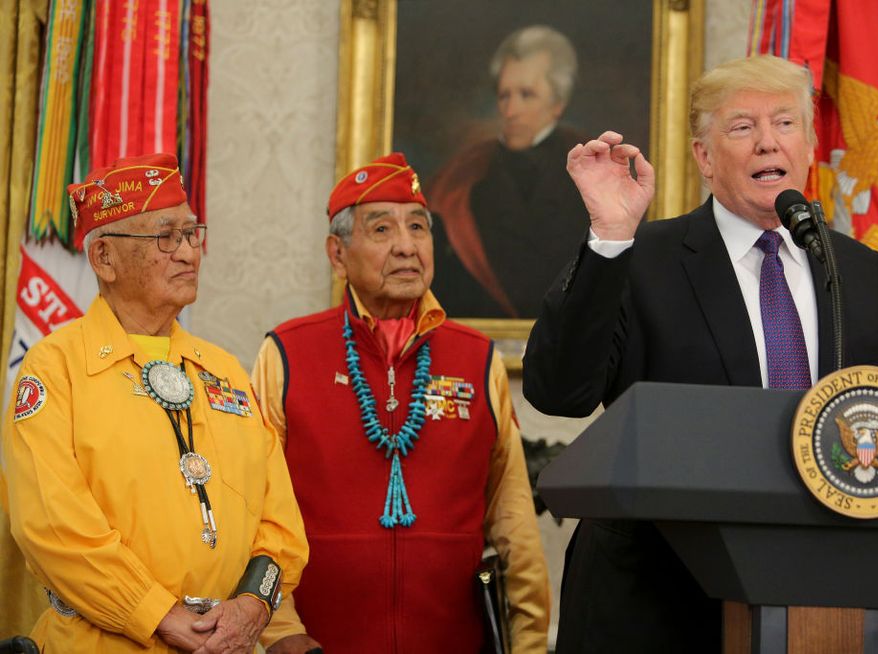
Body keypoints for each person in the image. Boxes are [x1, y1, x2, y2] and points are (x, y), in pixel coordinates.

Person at [522, 55, 878, 652]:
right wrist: (608, 238)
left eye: (785, 124)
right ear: (704, 158)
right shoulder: (639, 258)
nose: (767, 143)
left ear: (808, 146)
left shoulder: (858, 272)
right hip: (653, 605)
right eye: (741, 128)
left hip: (816, 598)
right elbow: (559, 393)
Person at [0, 153, 309, 653]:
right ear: (104, 259)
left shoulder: (225, 371)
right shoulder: (54, 369)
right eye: (165, 237)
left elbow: (280, 522)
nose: (188, 253)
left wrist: (253, 606)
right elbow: (52, 527)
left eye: (192, 234)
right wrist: (157, 614)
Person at [251, 153, 550, 653]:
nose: (407, 246)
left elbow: (514, 520)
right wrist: (281, 630)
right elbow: (254, 510)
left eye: (419, 227)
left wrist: (531, 644)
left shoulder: (477, 358)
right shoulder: (286, 353)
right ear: (337, 253)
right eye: (382, 230)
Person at [427, 25, 589, 318]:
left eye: (527, 95)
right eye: (504, 96)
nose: (510, 110)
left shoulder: (593, 170)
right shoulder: (463, 174)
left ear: (558, 104)